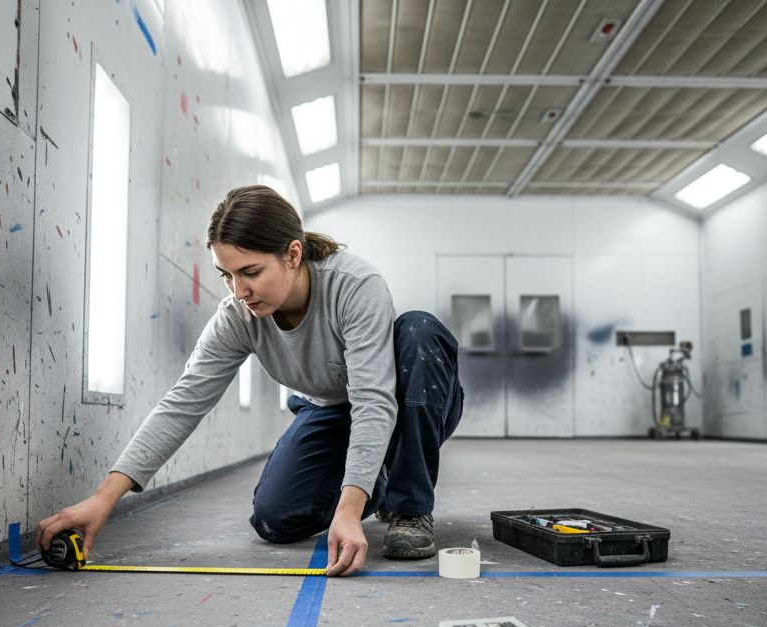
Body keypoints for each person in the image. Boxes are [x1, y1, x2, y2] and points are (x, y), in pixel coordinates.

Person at [36, 185, 463, 576]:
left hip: (406, 400)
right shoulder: (237, 317)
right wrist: (103, 498)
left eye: (251, 272)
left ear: (293, 254)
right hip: (331, 409)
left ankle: (409, 506)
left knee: (419, 331)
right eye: (226, 275)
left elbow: (373, 400)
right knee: (276, 517)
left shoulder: (355, 286)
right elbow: (184, 401)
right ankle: (378, 482)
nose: (239, 290)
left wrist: (348, 509)